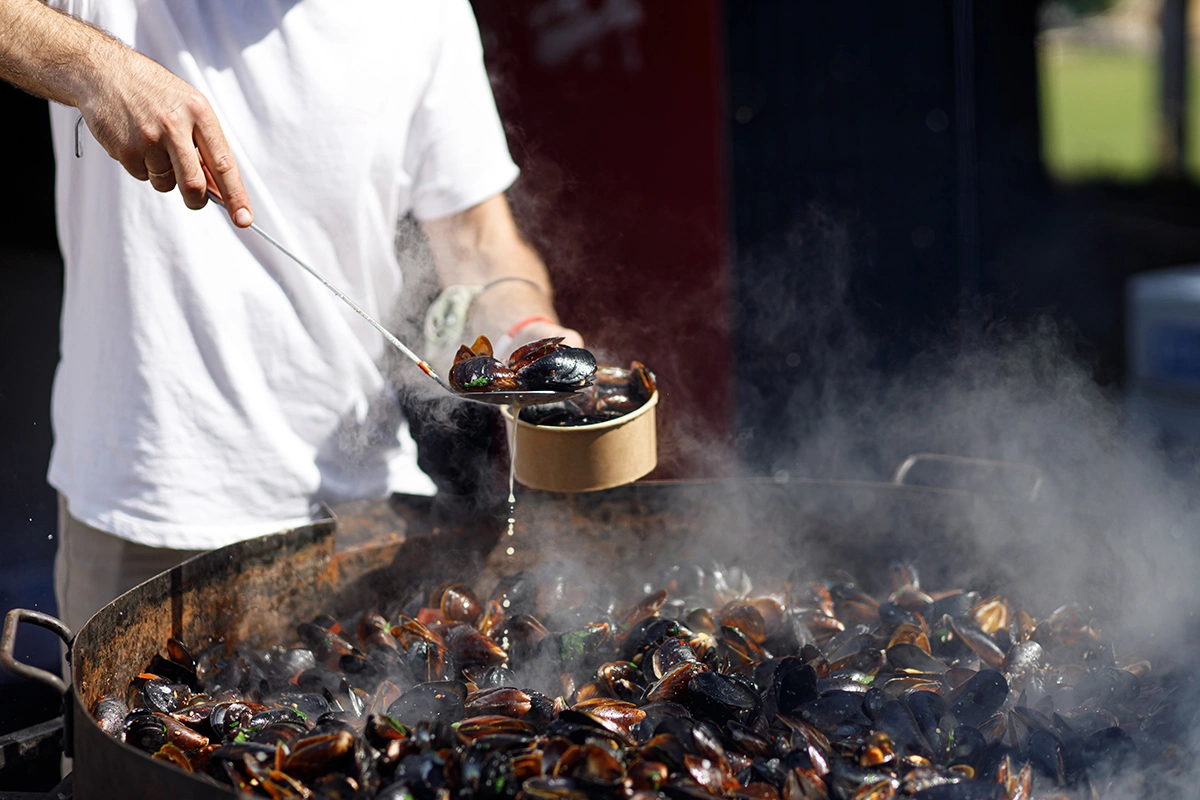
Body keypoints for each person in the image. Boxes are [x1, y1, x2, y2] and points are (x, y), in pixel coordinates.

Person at [0, 0, 583, 636]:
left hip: (360, 510)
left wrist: (528, 335)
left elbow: (477, 238)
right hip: (146, 512)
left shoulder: (426, 13)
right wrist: (97, 66)